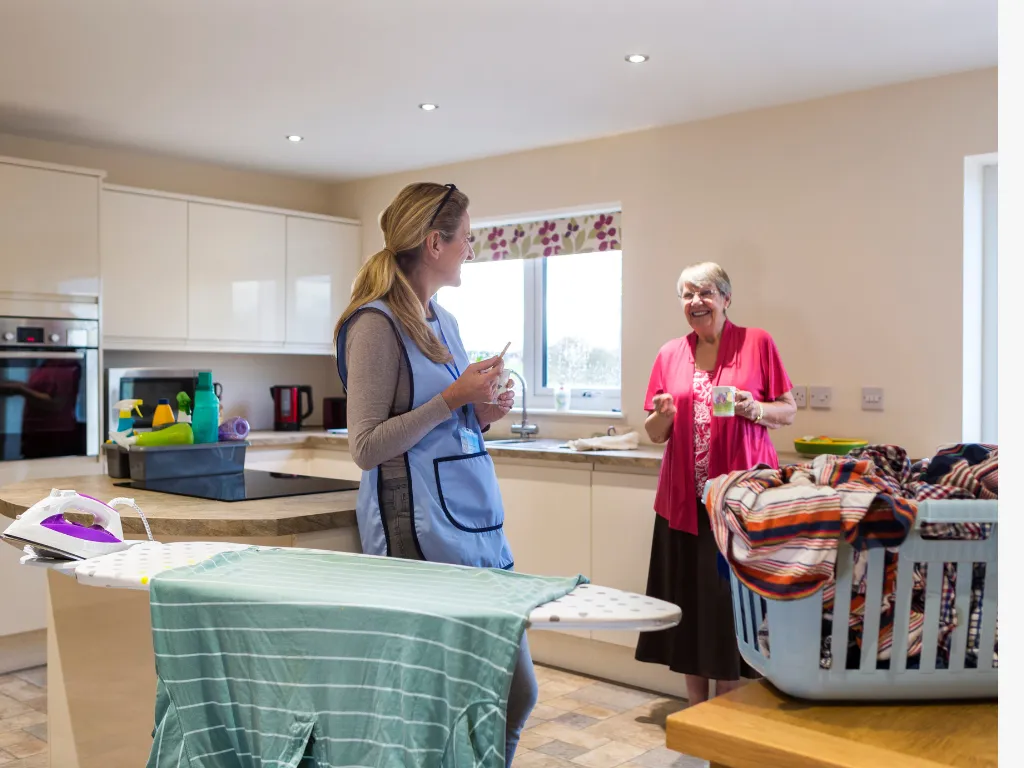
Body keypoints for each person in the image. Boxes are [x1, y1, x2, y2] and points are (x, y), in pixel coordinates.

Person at [333, 182, 533, 766]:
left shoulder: (442, 319)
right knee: (442, 705)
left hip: (471, 524)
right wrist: (453, 398)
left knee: (512, 693)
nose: (471, 247)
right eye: (466, 237)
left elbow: (451, 421)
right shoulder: (375, 325)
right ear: (434, 242)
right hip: (417, 535)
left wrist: (481, 409)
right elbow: (366, 447)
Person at [634, 261, 796, 705]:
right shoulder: (670, 353)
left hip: (741, 500)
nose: (695, 302)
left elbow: (787, 410)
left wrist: (753, 408)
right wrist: (662, 415)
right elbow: (654, 432)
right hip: (684, 503)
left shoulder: (757, 343)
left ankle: (729, 703)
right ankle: (695, 706)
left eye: (705, 292)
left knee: (731, 604)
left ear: (726, 298)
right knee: (689, 601)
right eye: (687, 295)